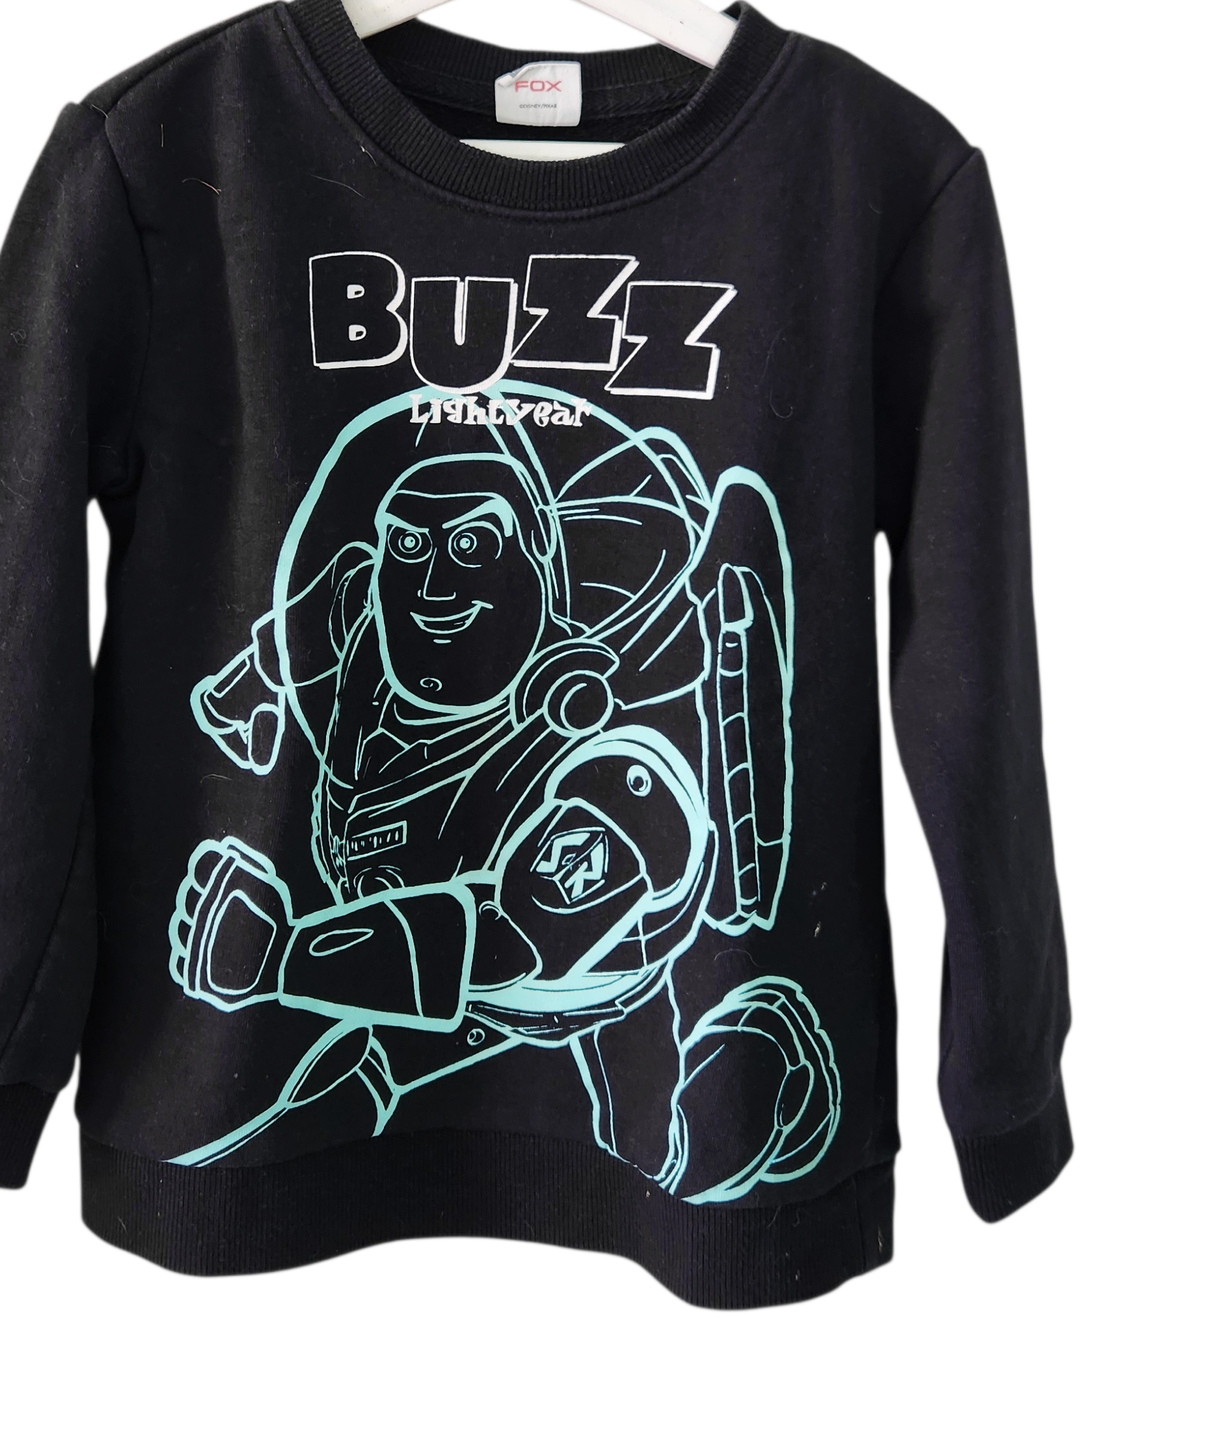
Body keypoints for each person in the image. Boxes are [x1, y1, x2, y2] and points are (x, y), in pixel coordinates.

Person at [172, 383, 840, 1202]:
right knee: (351, 1079)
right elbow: (326, 599)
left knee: (662, 1166)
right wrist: (247, 689)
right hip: (435, 974)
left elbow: (511, 937)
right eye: (408, 546)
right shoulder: (363, 644)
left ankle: (774, 1063)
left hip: (582, 984)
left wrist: (279, 956)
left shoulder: (618, 763)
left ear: (541, 566)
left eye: (473, 545)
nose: (432, 587)